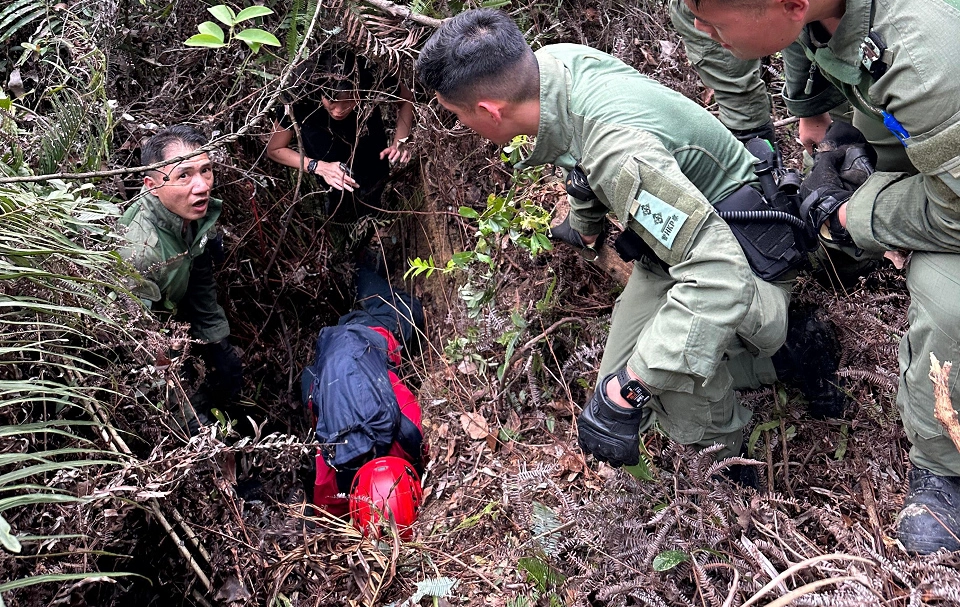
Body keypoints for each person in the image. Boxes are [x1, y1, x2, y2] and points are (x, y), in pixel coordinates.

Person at [416, 9, 843, 484]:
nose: (460, 127)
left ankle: (739, 458)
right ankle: (749, 363)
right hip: (684, 241)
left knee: (657, 383)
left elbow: (718, 276)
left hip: (745, 252)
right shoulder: (551, 67)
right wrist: (585, 224)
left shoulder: (620, 154)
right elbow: (576, 161)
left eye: (456, 116)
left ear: (489, 110)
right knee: (617, 380)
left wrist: (632, 388)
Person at [682, 0, 960, 554]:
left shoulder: (921, 56)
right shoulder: (823, 12)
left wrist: (849, 214)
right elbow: (813, 45)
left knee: (948, 309)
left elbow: (955, 212)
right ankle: (850, 256)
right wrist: (823, 121)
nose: (699, 31)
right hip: (935, 126)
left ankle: (942, 467)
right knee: (843, 179)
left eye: (712, 19)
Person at [119, 125, 243, 422]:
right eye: (184, 175)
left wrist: (216, 341)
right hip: (152, 332)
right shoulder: (140, 249)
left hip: (177, 313)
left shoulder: (194, 211)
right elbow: (134, 341)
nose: (201, 186)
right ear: (152, 185)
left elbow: (200, 275)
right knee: (193, 415)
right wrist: (185, 410)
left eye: (206, 170)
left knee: (229, 372)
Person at [301, 258, 426, 517]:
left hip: (358, 346)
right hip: (334, 361)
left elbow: (390, 381)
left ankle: (359, 267)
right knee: (407, 309)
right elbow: (326, 510)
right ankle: (355, 260)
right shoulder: (335, 473)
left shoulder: (408, 431)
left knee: (408, 312)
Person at [266, 49, 414, 225]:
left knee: (378, 205)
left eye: (350, 100)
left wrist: (400, 142)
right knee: (342, 220)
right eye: (332, 101)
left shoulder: (369, 80)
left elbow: (406, 99)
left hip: (374, 163)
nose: (339, 110)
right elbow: (275, 149)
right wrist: (318, 167)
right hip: (332, 182)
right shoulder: (299, 98)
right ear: (319, 90)